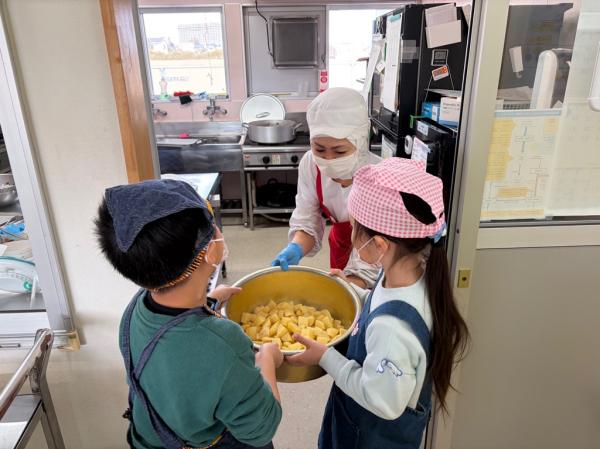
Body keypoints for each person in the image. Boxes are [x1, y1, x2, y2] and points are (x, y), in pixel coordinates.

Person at [287, 158, 470, 449]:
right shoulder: (408, 274)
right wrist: (353, 292)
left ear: (380, 244)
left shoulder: (392, 329)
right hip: (355, 417)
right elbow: (380, 302)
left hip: (371, 436)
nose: (350, 235)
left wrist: (325, 357)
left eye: (354, 228)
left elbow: (382, 401)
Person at [94, 179, 283, 449]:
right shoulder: (224, 343)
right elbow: (260, 429)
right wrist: (267, 360)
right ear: (209, 251)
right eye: (211, 223)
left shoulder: (136, 308)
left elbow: (178, 362)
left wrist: (210, 300)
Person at [271, 87, 381, 288]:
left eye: (339, 151)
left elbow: (380, 249)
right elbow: (308, 217)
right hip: (340, 246)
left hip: (376, 258)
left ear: (361, 142)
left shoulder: (379, 177)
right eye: (319, 149)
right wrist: (296, 247)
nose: (328, 159)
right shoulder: (310, 164)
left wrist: (355, 285)